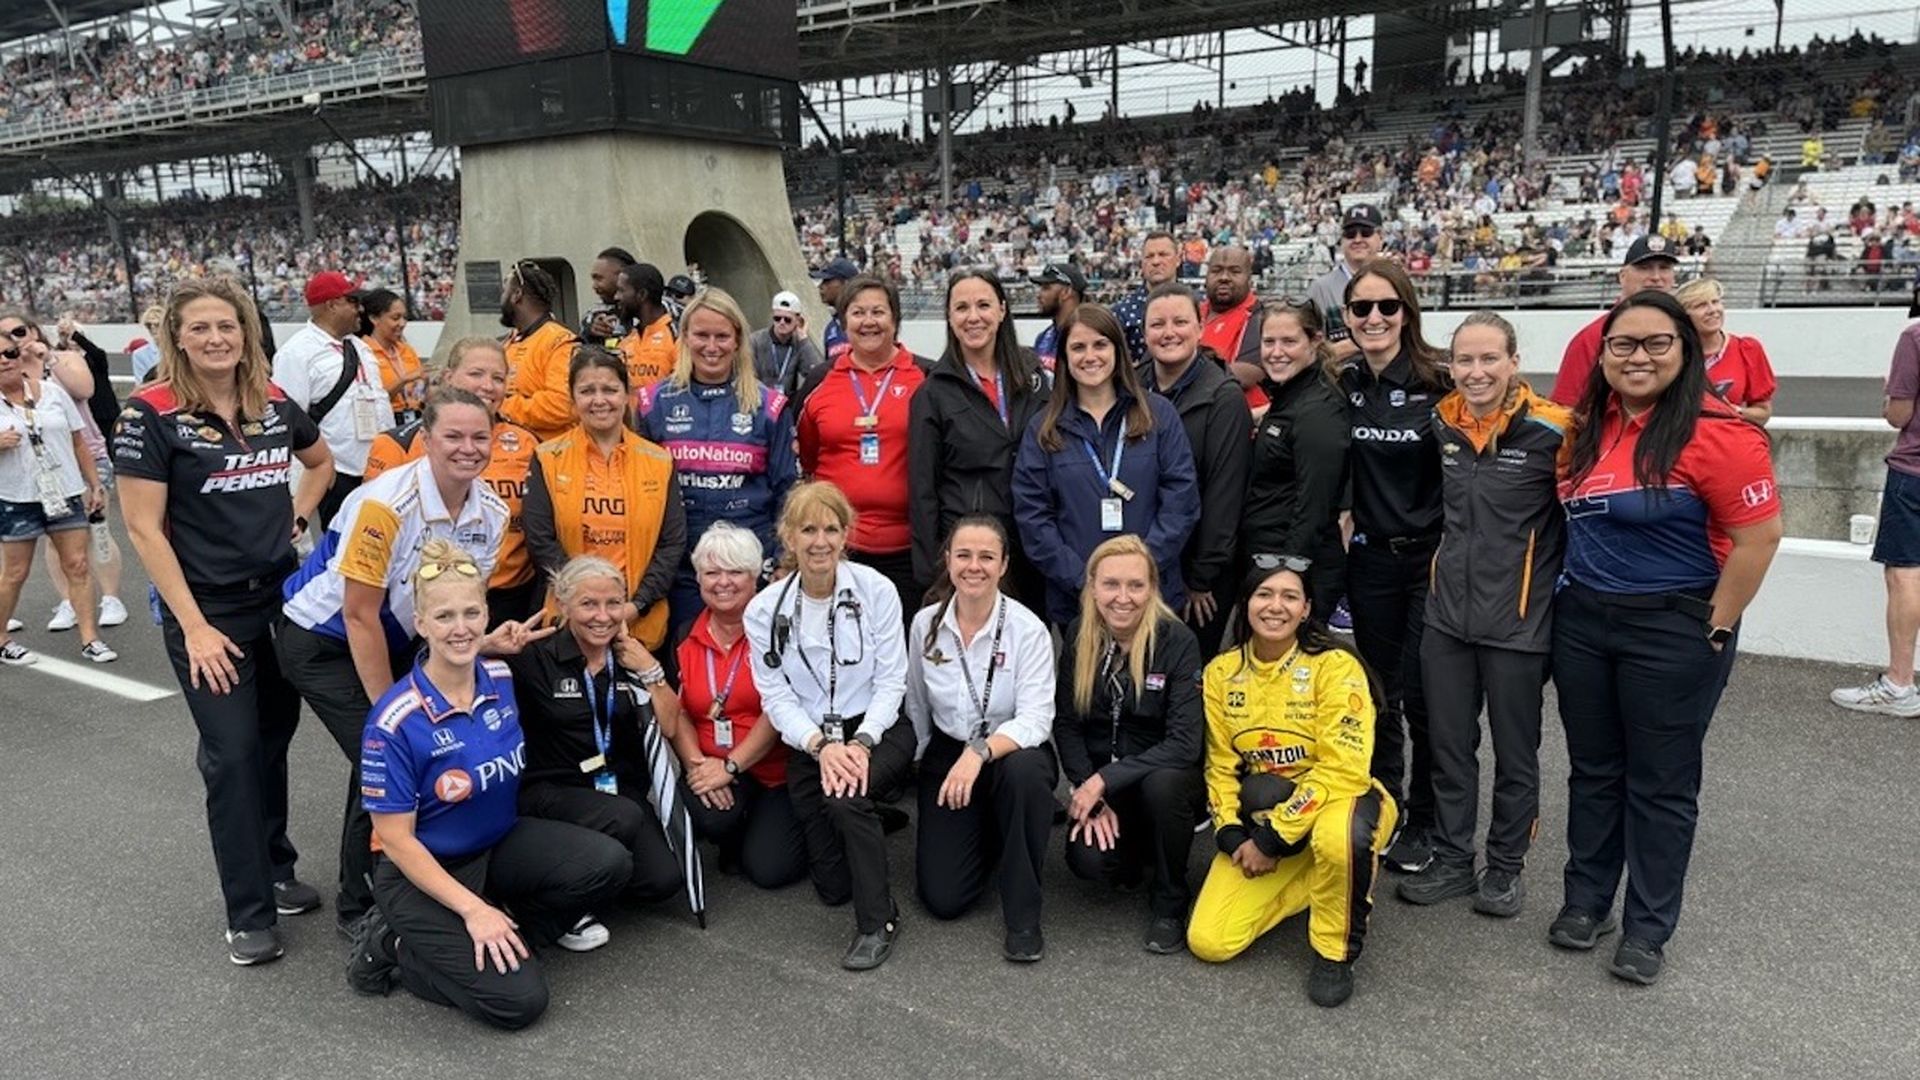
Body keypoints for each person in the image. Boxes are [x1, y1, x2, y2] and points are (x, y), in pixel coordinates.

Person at [1553, 290, 1782, 984]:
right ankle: (1586, 902)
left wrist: (1712, 628)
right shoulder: (1589, 426)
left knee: (1660, 784)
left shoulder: (1720, 431)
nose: (1638, 356)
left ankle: (1648, 928)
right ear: (1603, 355)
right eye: (1623, 344)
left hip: (1675, 626)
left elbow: (1759, 539)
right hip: (1585, 621)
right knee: (1594, 771)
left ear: (1685, 349)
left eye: (1657, 343)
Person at [113, 276, 335, 964]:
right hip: (206, 609)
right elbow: (144, 530)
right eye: (201, 327)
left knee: (271, 738)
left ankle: (274, 863)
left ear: (247, 334)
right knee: (233, 752)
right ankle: (247, 910)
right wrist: (195, 626)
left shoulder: (271, 402)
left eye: (228, 326)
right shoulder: (147, 412)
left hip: (280, 599)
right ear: (177, 336)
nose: (216, 338)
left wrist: (296, 515)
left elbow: (321, 461)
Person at [350, 540, 633, 1030]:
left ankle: (509, 934)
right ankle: (394, 945)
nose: (459, 627)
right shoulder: (394, 721)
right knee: (519, 1003)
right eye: (443, 617)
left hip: (497, 846)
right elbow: (395, 839)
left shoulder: (500, 676)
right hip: (425, 870)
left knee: (610, 863)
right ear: (420, 624)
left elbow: (479, 653)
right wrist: (473, 910)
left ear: (486, 616)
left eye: (471, 613)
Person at [280, 387, 513, 937]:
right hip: (324, 639)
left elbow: (452, 607)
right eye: (452, 436)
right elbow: (359, 615)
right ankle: (360, 909)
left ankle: (412, 876)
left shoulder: (493, 513)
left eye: (480, 437)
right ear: (425, 440)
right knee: (384, 758)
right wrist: (394, 711)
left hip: (399, 637)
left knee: (406, 755)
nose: (468, 448)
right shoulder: (385, 504)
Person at [1396, 313, 1569, 916]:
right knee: (1448, 746)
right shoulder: (1440, 422)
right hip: (1447, 619)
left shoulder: (1555, 429)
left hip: (1519, 623)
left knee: (1516, 755)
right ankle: (1451, 859)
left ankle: (1505, 866)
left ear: (1514, 362)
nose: (1475, 372)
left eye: (1489, 359)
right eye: (1464, 360)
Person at [1186, 559, 1397, 1009]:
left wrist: (1273, 839)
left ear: (1306, 610)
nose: (1275, 606)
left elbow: (1343, 767)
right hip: (1267, 812)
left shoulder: (1335, 666)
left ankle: (1335, 947)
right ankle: (1329, 879)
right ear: (1245, 605)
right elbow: (1220, 766)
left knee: (1340, 840)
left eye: (1289, 597)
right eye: (1264, 595)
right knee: (1211, 941)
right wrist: (1231, 832)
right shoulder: (1222, 673)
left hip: (1344, 798)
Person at [743, 481, 913, 970]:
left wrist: (860, 743)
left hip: (877, 728)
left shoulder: (876, 590)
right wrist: (820, 746)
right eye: (808, 529)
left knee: (844, 799)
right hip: (812, 739)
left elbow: (892, 679)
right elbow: (776, 695)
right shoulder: (764, 609)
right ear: (788, 537)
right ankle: (872, 822)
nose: (820, 541)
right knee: (832, 886)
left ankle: (878, 921)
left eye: (831, 529)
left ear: (847, 535)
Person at [506, 553, 692, 947]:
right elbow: (457, 673)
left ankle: (588, 871)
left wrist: (650, 670)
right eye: (589, 604)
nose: (602, 616)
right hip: (550, 789)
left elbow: (671, 724)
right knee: (623, 818)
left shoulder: (629, 655)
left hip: (611, 788)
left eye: (612, 603)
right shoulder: (535, 657)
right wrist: (487, 647)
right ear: (564, 603)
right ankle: (547, 902)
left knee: (664, 880)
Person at [1336, 258, 1450, 875]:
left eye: (1387, 306)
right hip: (1370, 561)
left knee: (1426, 697)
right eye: (1361, 308)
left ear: (1407, 311)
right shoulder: (1344, 380)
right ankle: (1387, 804)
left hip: (1429, 562)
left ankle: (1430, 821)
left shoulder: (1443, 380)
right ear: (1348, 317)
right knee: (1377, 696)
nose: (1374, 318)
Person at [905, 515, 1058, 961]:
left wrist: (980, 752)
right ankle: (991, 827)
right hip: (948, 753)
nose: (975, 566)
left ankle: (1023, 913)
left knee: (1026, 775)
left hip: (1011, 750)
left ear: (1004, 564)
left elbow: (1036, 718)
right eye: (964, 555)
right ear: (948, 561)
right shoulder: (925, 625)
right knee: (944, 900)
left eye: (987, 556)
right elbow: (916, 705)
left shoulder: (1027, 629)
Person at [1053, 535, 1206, 953]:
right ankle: (1137, 851)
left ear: (1152, 588)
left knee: (1164, 786)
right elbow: (1067, 724)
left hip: (1163, 776)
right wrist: (1088, 785)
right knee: (1089, 862)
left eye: (1136, 586)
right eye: (1111, 584)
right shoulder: (1079, 634)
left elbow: (1185, 743)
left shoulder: (1178, 641)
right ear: (1092, 586)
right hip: (1108, 782)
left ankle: (1170, 899)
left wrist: (1103, 779)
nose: (1124, 598)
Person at [1012, 304, 1199, 627]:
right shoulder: (1043, 429)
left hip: (1151, 599)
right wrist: (1086, 582)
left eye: (1100, 344)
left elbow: (1180, 502)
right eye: (1078, 347)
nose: (1090, 356)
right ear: (1064, 357)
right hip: (1077, 602)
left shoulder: (1158, 415)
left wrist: (1138, 575)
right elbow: (1033, 517)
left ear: (1117, 350)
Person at [636, 287, 795, 637]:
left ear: (738, 341)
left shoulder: (769, 407)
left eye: (722, 336)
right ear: (684, 338)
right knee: (685, 663)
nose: (711, 346)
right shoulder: (653, 403)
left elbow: (787, 491)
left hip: (751, 565)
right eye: (701, 335)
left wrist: (783, 559)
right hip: (680, 567)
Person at [363, 337, 542, 625]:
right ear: (448, 377)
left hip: (510, 596)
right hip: (425, 600)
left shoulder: (528, 442)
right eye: (476, 374)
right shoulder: (398, 443)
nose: (488, 385)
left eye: (498, 377)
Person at [669, 522, 806, 888]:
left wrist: (730, 765)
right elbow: (678, 711)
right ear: (698, 579)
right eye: (712, 572)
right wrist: (698, 767)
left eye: (735, 571)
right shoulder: (684, 635)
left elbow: (778, 710)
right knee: (712, 819)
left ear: (755, 577)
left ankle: (794, 819)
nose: (723, 582)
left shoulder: (778, 633)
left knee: (770, 871)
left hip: (774, 771)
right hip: (712, 760)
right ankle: (738, 827)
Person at [523, 347, 686, 651]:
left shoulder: (659, 461)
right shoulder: (546, 458)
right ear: (573, 401)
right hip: (567, 623)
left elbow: (671, 543)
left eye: (610, 389)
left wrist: (634, 606)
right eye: (587, 391)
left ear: (628, 396)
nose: (599, 400)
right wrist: (582, 605)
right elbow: (540, 541)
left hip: (640, 626)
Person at [908, 269, 1049, 608]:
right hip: (973, 553)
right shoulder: (932, 393)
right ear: (949, 317)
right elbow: (922, 489)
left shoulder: (1033, 375)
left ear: (1001, 310)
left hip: (1033, 545)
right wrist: (932, 571)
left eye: (983, 305)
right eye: (962, 308)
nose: (973, 317)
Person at [795, 275, 929, 617]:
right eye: (858, 313)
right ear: (843, 322)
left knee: (900, 656)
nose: (868, 322)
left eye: (878, 312)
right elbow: (810, 458)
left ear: (895, 320)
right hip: (838, 549)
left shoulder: (927, 377)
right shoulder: (820, 381)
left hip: (908, 552)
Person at [1140, 282, 1252, 657]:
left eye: (1180, 322)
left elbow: (1225, 495)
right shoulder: (1131, 386)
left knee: (1184, 675)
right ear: (1144, 332)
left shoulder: (1224, 396)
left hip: (1196, 574)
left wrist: (1201, 577)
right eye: (1157, 324)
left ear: (1200, 327)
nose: (1169, 332)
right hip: (1140, 561)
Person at [0, 321, 115, 665]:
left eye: (9, 352)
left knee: (78, 565)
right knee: (16, 573)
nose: (5, 360)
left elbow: (78, 439)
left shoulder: (52, 392)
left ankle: (90, 639)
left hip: (64, 491)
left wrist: (93, 483)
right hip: (16, 497)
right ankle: (2, 637)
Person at [1834, 318, 1920, 717]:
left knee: (1904, 573)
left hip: (1915, 472)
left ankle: (1899, 685)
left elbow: (1899, 415)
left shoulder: (1915, 336)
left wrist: (1888, 401)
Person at [1243, 301, 1350, 610]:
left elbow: (1313, 505)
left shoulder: (1319, 409)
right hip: (1269, 557)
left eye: (1289, 341)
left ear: (1315, 342)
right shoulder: (1290, 395)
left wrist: (1289, 576)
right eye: (1269, 342)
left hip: (1294, 570)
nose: (1276, 352)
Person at [272, 270, 395, 529]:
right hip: (333, 473)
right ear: (332, 305)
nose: (359, 309)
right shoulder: (297, 354)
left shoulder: (360, 347)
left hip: (374, 468)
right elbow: (288, 421)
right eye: (352, 301)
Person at [1549, 235, 1680, 407]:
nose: (1656, 277)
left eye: (1664, 268)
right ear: (1622, 276)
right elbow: (1565, 409)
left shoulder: (1687, 331)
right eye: (1644, 268)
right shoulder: (1592, 338)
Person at [497, 260, 583, 442]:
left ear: (516, 295)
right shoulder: (507, 343)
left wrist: (501, 405)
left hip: (550, 456)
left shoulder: (560, 342)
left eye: (505, 290)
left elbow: (562, 405)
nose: (501, 297)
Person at [1673, 277, 1777, 425]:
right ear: (1684, 315)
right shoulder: (1672, 353)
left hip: (1727, 439)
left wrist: (1735, 411)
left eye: (1715, 302)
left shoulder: (1747, 350)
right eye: (1701, 305)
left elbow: (1763, 412)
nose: (1712, 310)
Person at [1307, 204, 1386, 362]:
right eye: (1350, 234)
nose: (1357, 239)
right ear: (1342, 240)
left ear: (1381, 238)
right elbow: (1309, 351)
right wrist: (1362, 342)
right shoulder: (1321, 288)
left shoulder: (1394, 284)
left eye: (1366, 233)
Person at [1197, 244, 1268, 403]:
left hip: (1239, 413)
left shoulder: (1260, 316)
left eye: (1234, 271)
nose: (1224, 277)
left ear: (1249, 278)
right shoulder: (1192, 312)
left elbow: (1250, 373)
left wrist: (1185, 372)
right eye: (1216, 270)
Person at [358, 288, 427, 425]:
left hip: (415, 421)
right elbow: (371, 401)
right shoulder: (362, 352)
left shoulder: (406, 350)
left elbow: (420, 391)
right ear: (374, 318)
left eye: (404, 317)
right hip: (385, 424)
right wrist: (403, 381)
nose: (402, 324)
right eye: (395, 318)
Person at [1112, 230, 1181, 364]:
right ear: (1142, 263)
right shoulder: (1122, 312)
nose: (1156, 261)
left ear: (1178, 259)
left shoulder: (1198, 305)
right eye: (1149, 256)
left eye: (1163, 255)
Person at [749, 290, 826, 401]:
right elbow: (747, 376)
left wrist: (803, 338)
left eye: (788, 320)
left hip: (787, 405)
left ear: (798, 320)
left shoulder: (798, 344)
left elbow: (817, 374)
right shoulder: (755, 340)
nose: (782, 322)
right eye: (777, 318)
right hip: (760, 402)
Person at [615, 262, 678, 392]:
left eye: (622, 291)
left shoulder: (677, 336)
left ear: (642, 295)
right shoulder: (626, 339)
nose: (616, 297)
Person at [1031, 261, 1085, 372]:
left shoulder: (1087, 336)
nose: (1039, 295)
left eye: (1046, 288)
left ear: (1066, 292)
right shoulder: (1043, 337)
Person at [581, 246, 638, 349]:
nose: (594, 286)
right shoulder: (592, 317)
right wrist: (591, 334)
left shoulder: (657, 308)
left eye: (599, 278)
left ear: (621, 275)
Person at [813, 257, 859, 356]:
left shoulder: (866, 322)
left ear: (846, 284)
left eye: (827, 281)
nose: (820, 286)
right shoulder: (831, 328)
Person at [129, 304, 165, 384]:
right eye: (149, 325)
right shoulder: (140, 354)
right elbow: (141, 383)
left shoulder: (179, 349)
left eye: (157, 325)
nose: (153, 328)